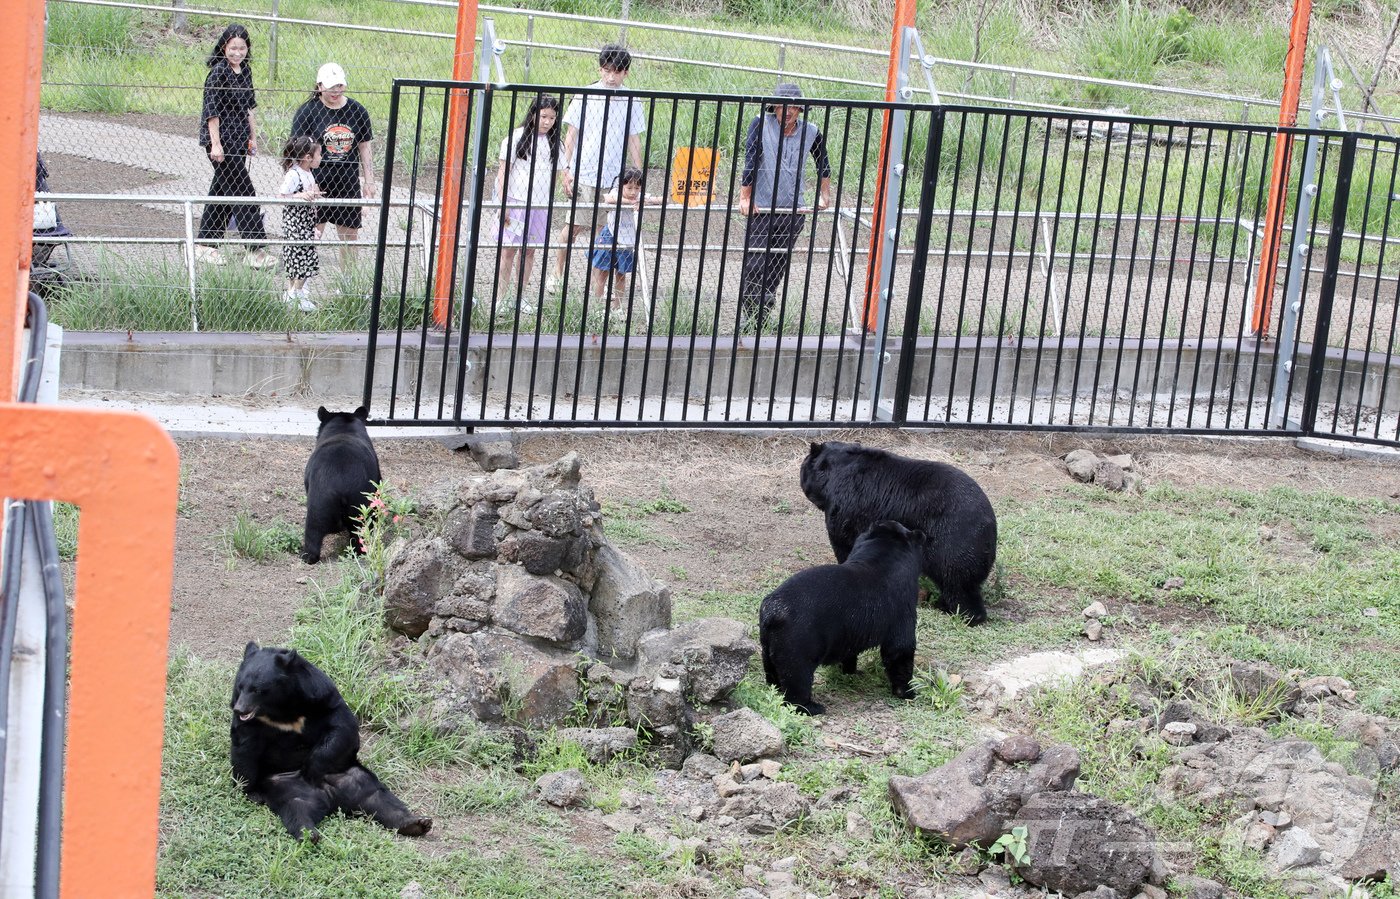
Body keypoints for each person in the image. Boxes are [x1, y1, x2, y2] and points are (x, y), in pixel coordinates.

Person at [549, 44, 645, 294]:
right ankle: (557, 276)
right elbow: (571, 134)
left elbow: (634, 139)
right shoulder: (585, 95)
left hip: (614, 178)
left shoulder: (632, 100)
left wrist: (638, 175)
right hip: (585, 172)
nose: (611, 77)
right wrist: (566, 169)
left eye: (617, 72)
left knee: (604, 234)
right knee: (573, 226)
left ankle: (595, 289)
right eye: (606, 71)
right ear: (600, 69)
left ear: (626, 73)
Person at [737, 81, 832, 334]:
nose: (787, 111)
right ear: (775, 108)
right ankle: (749, 315)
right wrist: (745, 197)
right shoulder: (761, 124)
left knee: (776, 266)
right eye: (782, 106)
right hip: (763, 208)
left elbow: (823, 161)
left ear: (800, 110)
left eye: (793, 107)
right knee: (755, 264)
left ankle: (762, 317)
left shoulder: (811, 131)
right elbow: (751, 157)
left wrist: (824, 196)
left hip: (793, 210)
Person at [196, 23, 276, 269]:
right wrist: (216, 144)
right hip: (221, 144)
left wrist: (253, 137)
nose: (237, 53)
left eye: (242, 48)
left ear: (247, 49)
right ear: (224, 47)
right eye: (233, 48)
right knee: (244, 192)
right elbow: (212, 112)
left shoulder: (246, 71)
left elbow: (249, 108)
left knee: (222, 192)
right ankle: (255, 249)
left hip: (240, 142)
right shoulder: (218, 72)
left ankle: (204, 245)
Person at [291, 62, 375, 271]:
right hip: (316, 183)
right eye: (331, 87)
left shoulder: (357, 111)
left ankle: (348, 286)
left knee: (349, 236)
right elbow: (296, 148)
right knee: (311, 233)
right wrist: (302, 182)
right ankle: (301, 286)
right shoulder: (308, 112)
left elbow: (364, 148)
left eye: (339, 86)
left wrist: (369, 181)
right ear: (320, 86)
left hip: (347, 182)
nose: (336, 91)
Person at [494, 94, 562, 316]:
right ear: (533, 114)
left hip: (540, 205)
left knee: (529, 252)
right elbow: (503, 172)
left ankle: (519, 298)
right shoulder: (515, 138)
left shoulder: (556, 143)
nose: (547, 122)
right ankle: (501, 299)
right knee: (508, 251)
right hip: (516, 201)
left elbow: (561, 173)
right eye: (543, 116)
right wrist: (503, 203)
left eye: (552, 118)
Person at [589, 167, 660, 320]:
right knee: (602, 273)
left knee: (621, 275)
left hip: (628, 240)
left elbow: (662, 200)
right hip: (611, 236)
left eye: (637, 188)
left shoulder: (640, 196)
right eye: (629, 188)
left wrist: (644, 201)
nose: (633, 191)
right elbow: (608, 198)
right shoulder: (616, 193)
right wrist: (630, 202)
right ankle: (597, 306)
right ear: (621, 185)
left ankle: (617, 308)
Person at [278, 135, 323, 313]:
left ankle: (293, 294)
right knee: (301, 258)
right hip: (296, 223)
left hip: (306, 222)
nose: (321, 158)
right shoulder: (294, 174)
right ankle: (295, 294)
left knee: (301, 257)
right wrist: (301, 195)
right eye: (319, 155)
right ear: (307, 157)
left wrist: (313, 192)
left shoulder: (308, 173)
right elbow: (282, 195)